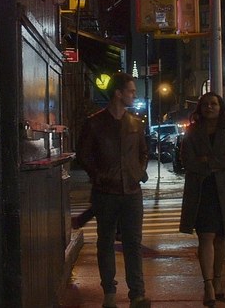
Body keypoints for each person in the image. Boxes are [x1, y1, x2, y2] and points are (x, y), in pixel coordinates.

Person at [77, 72, 151, 308]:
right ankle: (109, 291)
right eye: (131, 91)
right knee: (106, 242)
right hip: (106, 192)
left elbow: (143, 152)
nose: (134, 95)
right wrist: (98, 175)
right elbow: (84, 155)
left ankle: (137, 293)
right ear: (118, 93)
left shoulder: (135, 124)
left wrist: (137, 172)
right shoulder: (95, 123)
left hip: (131, 192)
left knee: (133, 243)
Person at [178, 92, 225, 306]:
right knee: (206, 236)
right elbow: (187, 161)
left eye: (213, 104)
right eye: (205, 104)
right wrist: (217, 161)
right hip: (202, 190)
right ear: (200, 108)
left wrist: (206, 160)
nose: (209, 107)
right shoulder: (192, 131)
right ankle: (208, 284)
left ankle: (218, 280)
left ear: (220, 107)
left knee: (220, 238)